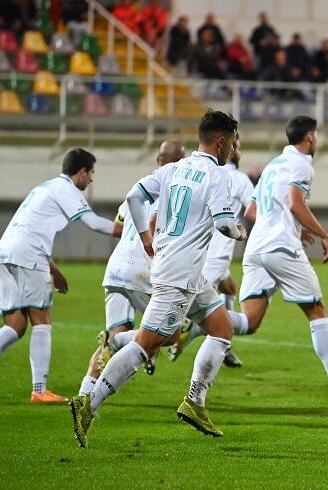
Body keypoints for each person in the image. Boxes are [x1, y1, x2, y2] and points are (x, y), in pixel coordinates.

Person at [69, 111, 247, 447]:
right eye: (233, 142)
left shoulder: (172, 169)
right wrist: (239, 232)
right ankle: (87, 404)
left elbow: (135, 197)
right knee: (147, 345)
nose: (233, 149)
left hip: (184, 273)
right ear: (221, 142)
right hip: (179, 276)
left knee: (222, 328)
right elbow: (225, 224)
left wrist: (144, 236)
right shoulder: (217, 175)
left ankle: (195, 402)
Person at [0, 149, 118, 405]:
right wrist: (134, 231)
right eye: (91, 174)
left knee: (16, 326)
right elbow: (94, 223)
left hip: (5, 255)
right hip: (28, 258)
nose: (91, 180)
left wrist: (54, 272)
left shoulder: (44, 188)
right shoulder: (67, 190)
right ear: (82, 171)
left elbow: (32, 232)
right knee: (42, 321)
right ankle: (40, 390)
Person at [238, 116, 328, 402]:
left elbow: (252, 212)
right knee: (316, 309)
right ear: (310, 137)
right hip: (280, 247)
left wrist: (293, 228)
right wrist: (324, 234)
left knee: (248, 322)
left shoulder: (273, 164)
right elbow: (294, 203)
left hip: (256, 248)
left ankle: (200, 323)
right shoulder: (302, 164)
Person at [76, 140, 186, 398]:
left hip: (115, 270)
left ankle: (83, 396)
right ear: (182, 163)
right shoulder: (176, 190)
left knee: (113, 341)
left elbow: (117, 227)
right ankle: (115, 341)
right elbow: (154, 221)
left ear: (157, 161)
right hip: (143, 273)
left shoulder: (140, 188)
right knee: (171, 335)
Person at [169, 134, 255, 367]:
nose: (236, 150)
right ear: (227, 148)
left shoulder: (196, 173)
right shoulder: (237, 178)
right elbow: (253, 211)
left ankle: (225, 348)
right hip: (216, 254)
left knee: (229, 287)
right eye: (235, 146)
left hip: (197, 250)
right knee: (175, 319)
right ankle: (130, 343)